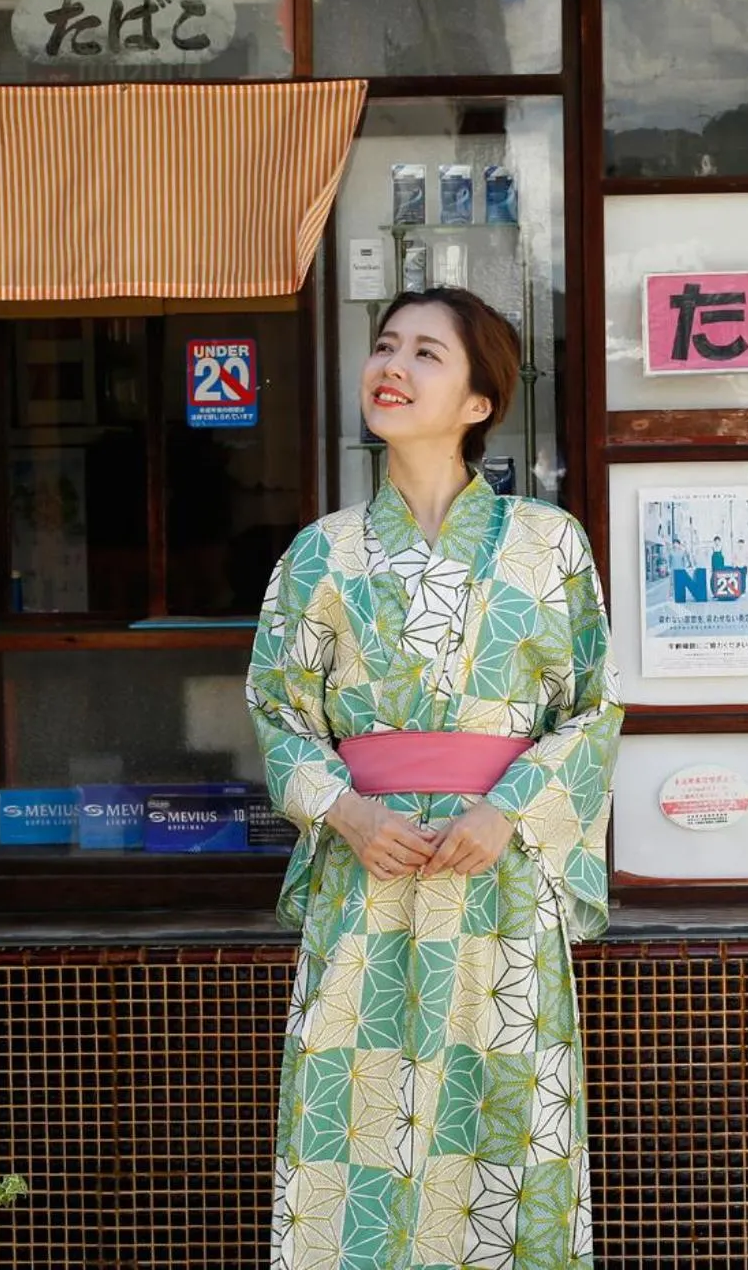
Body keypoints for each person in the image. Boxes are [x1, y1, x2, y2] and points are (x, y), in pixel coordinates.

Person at [250, 286, 622, 1270]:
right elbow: (279, 716)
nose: (393, 367)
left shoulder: (550, 545)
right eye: (384, 346)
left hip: (496, 882)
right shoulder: (315, 557)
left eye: (426, 354)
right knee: (355, 1125)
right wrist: (345, 810)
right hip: (365, 881)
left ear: (477, 401)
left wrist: (511, 811)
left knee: (502, 1120)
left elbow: (594, 707)